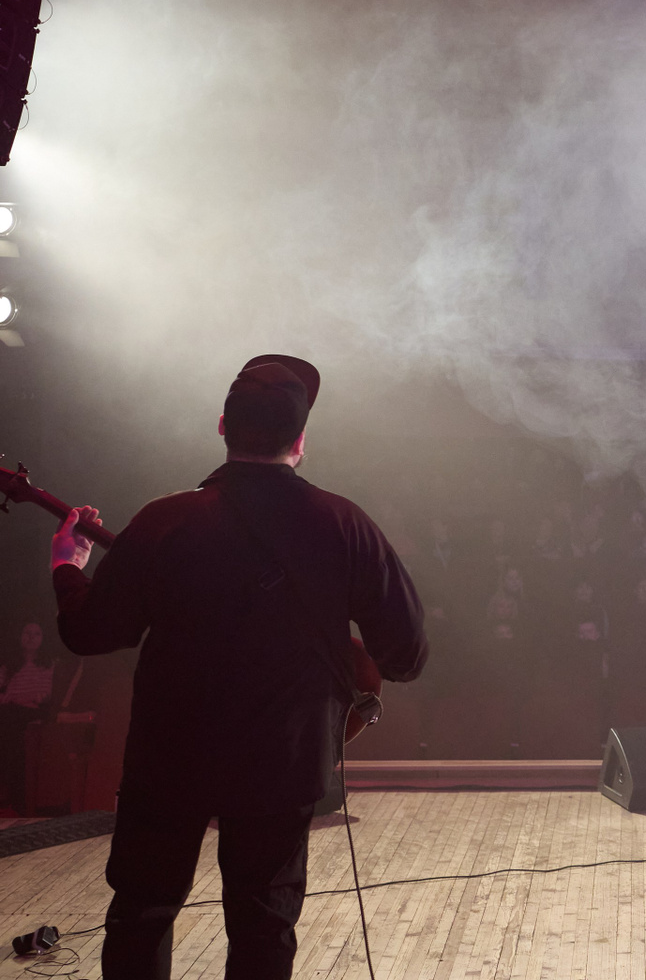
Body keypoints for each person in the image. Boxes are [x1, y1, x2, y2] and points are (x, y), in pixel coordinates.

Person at [48, 355, 428, 980]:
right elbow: (406, 656)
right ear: (300, 440)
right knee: (263, 926)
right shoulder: (345, 525)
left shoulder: (165, 519)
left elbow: (89, 633)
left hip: (170, 759)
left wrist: (68, 564)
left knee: (143, 913)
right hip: (284, 760)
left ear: (223, 426)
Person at [0, 621, 57, 813]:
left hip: (34, 712)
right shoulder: (9, 665)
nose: (31, 637)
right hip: (11, 713)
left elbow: (46, 695)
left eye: (36, 634)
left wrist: (18, 698)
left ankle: (15, 795)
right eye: (27, 632)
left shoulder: (49, 665)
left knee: (12, 726)